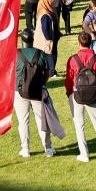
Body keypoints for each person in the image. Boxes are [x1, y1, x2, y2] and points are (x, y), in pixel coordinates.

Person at [63, 31, 96, 162]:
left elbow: (69, 80)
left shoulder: (73, 59)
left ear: (78, 43)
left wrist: (70, 93)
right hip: (94, 96)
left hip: (77, 96)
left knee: (79, 124)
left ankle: (84, 154)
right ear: (90, 43)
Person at [15, 28, 57, 158]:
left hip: (19, 91)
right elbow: (47, 72)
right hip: (38, 90)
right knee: (41, 120)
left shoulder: (15, 54)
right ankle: (48, 147)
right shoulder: (40, 53)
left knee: (23, 121)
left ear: (22, 40)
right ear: (33, 40)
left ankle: (25, 149)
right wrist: (42, 83)